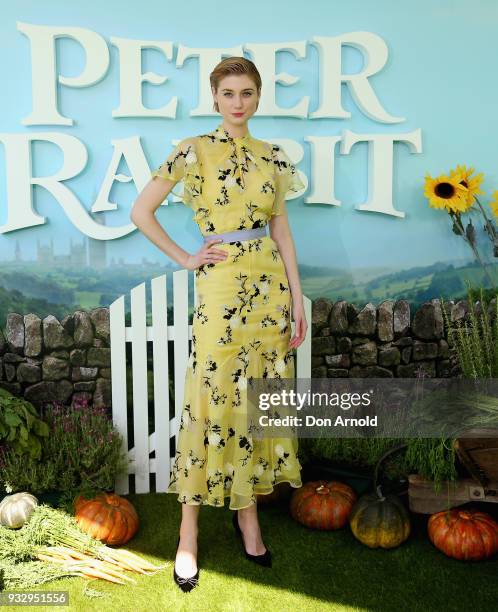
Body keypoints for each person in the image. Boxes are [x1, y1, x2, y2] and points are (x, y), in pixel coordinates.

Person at [130, 56, 308, 592]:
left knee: (260, 399)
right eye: (228, 92)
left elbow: (282, 232)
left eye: (247, 92)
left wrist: (297, 300)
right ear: (214, 98)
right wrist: (187, 258)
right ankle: (188, 530)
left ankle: (247, 513)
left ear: (258, 98)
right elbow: (142, 212)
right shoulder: (192, 151)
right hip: (221, 284)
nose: (238, 101)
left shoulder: (273, 157)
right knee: (210, 398)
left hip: (271, 289)